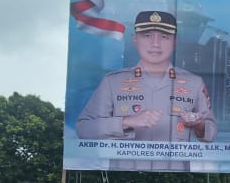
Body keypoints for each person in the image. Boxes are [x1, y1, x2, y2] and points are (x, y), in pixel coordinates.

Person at [76, 11, 217, 171]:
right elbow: (84, 128)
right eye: (147, 35)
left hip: (175, 177)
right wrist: (126, 121)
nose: (155, 43)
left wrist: (199, 124)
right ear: (135, 39)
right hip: (125, 176)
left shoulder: (194, 82)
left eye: (164, 36)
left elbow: (210, 134)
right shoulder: (113, 82)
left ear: (174, 41)